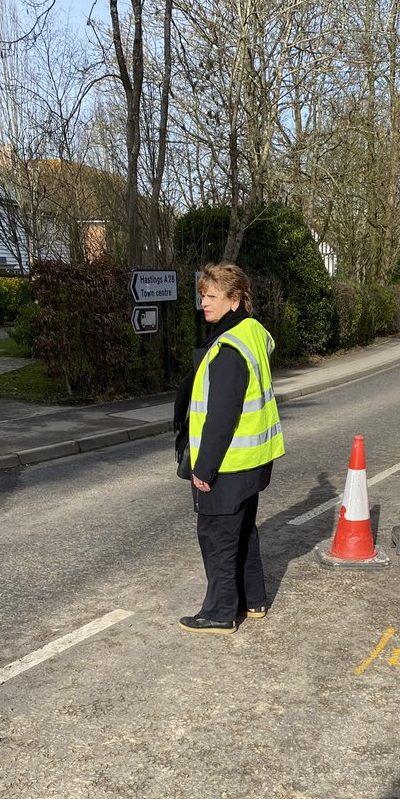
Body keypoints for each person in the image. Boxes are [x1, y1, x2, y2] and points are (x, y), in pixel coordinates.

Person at [173, 263, 284, 634]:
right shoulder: (251, 333)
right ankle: (253, 600)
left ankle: (221, 612)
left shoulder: (229, 348)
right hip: (252, 461)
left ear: (235, 300)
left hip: (229, 463)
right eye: (202, 295)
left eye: (212, 296)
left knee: (217, 536)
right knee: (243, 530)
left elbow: (221, 417)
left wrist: (203, 469)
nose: (203, 302)